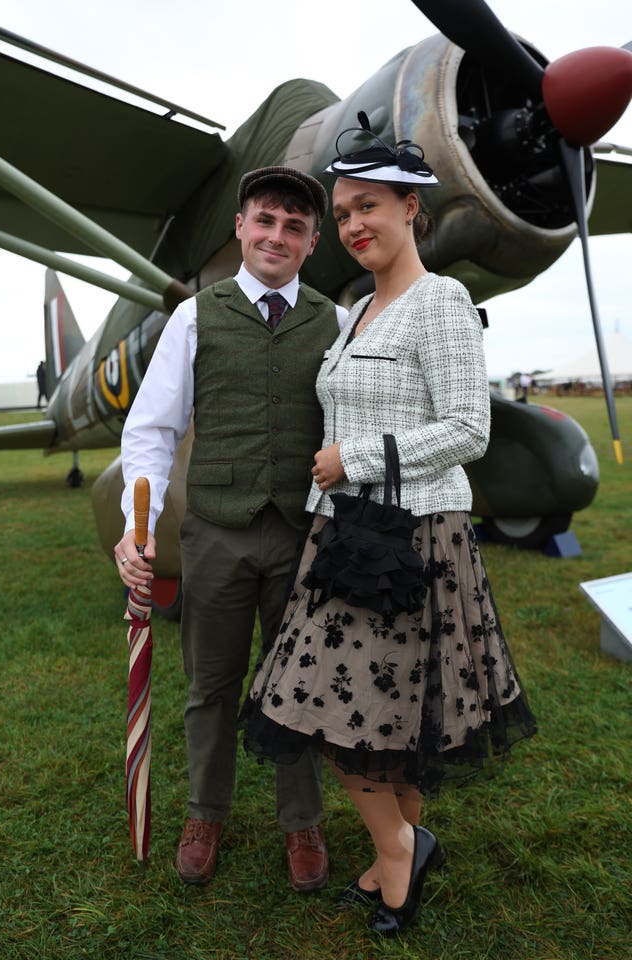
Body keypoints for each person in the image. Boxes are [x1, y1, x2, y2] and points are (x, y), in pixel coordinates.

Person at [243, 118, 537, 936]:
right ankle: (400, 847)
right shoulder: (358, 308)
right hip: (344, 538)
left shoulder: (439, 302)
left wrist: (356, 457)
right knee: (382, 717)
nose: (352, 226)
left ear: (413, 208)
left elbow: (469, 428)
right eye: (341, 214)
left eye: (368, 206)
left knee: (331, 713)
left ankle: (399, 851)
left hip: (409, 542)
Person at [114, 166, 349, 891]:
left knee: (298, 683)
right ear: (241, 229)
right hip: (216, 530)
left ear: (312, 244)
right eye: (265, 221)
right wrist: (137, 526)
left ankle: (300, 819)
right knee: (211, 684)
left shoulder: (333, 323)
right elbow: (152, 429)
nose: (277, 235)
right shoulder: (195, 316)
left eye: (294, 226)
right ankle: (205, 811)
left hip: (302, 533)